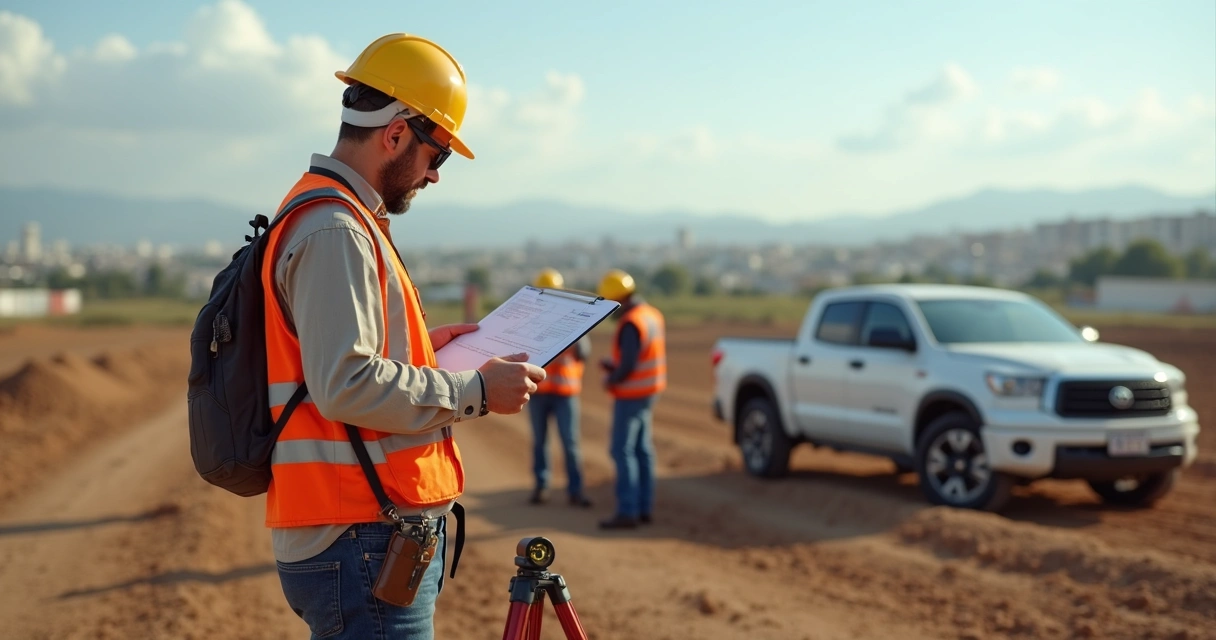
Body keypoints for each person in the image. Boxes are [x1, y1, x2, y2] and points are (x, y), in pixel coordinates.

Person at [262, 33, 545, 639]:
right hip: (362, 534)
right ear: (394, 133)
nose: (435, 176)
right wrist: (473, 389)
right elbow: (345, 384)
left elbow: (339, 363)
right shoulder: (336, 230)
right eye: (437, 154)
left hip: (359, 532)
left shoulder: (336, 216)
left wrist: (426, 352)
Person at [595, 269, 667, 530]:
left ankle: (627, 511)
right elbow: (640, 355)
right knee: (642, 450)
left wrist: (610, 378)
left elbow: (627, 366)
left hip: (631, 394)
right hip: (650, 391)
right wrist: (615, 366)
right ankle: (644, 508)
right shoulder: (651, 313)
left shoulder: (630, 322)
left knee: (622, 450)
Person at [527, 268, 593, 508]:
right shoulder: (531, 321)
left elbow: (584, 352)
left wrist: (570, 331)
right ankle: (542, 486)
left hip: (566, 393)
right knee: (540, 442)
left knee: (570, 443)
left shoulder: (574, 317)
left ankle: (576, 491)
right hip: (539, 392)